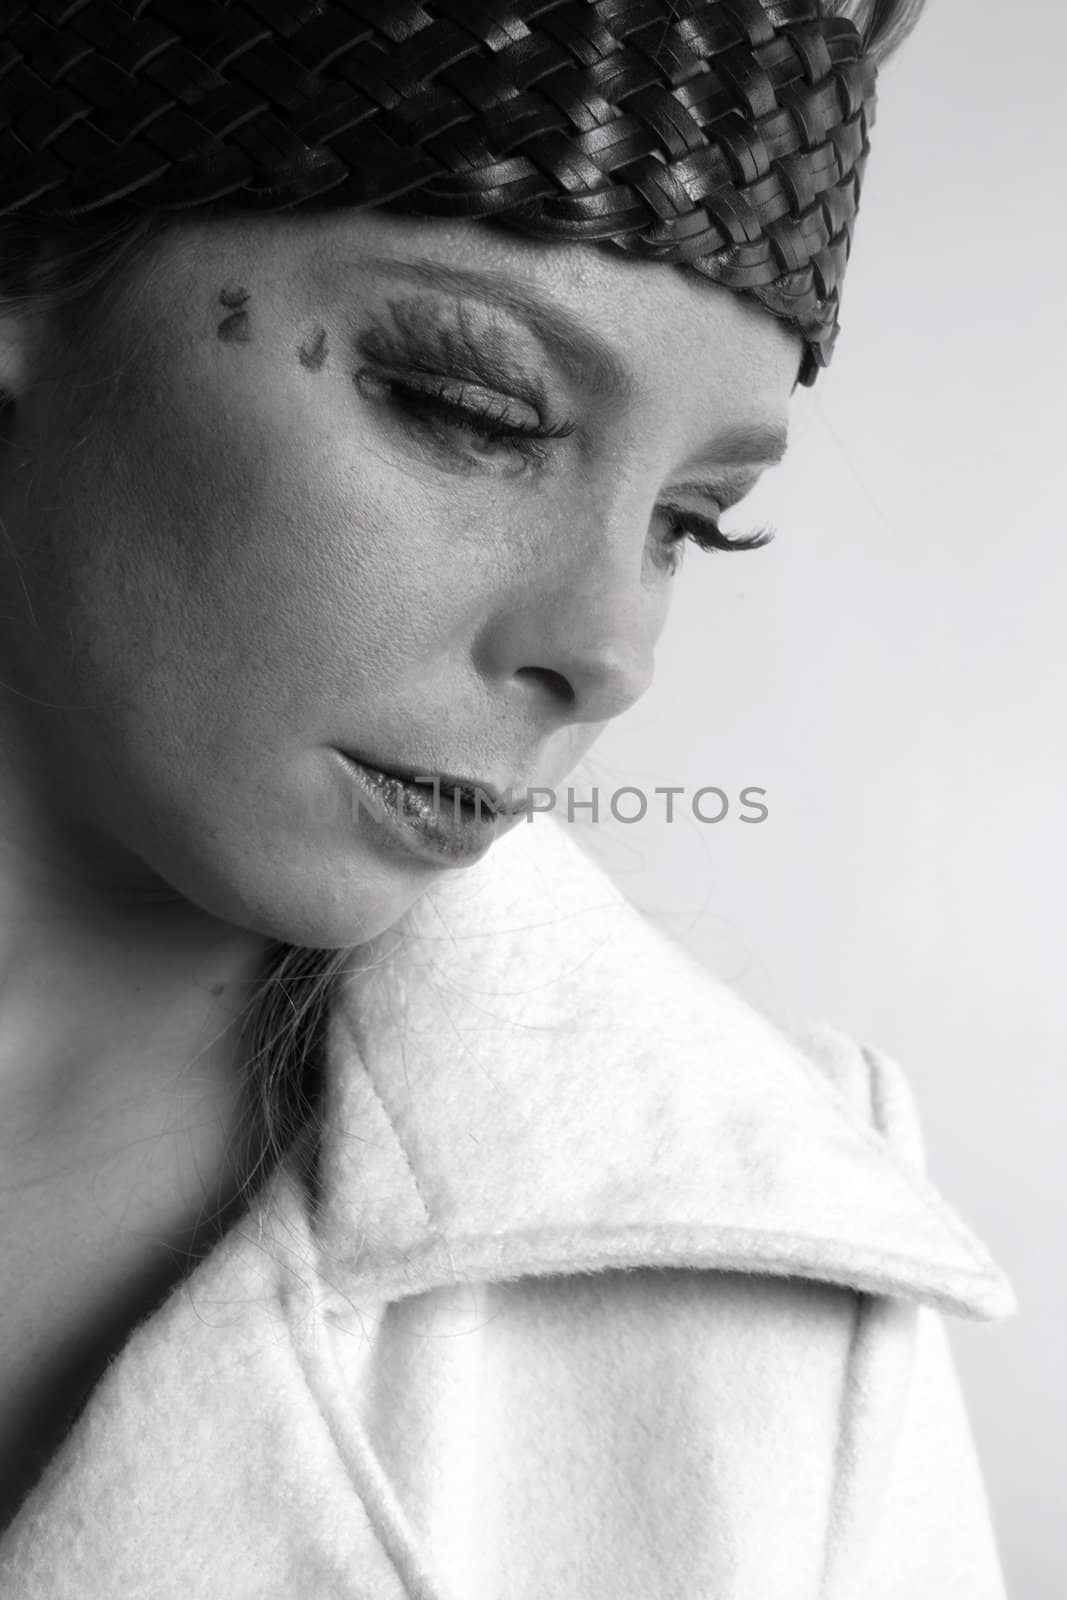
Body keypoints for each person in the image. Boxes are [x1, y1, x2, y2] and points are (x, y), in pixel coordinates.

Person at [0, 1, 1015, 1594]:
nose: (609, 650)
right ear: (36, 273)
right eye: (474, 413)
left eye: (693, 521)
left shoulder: (785, 1319)